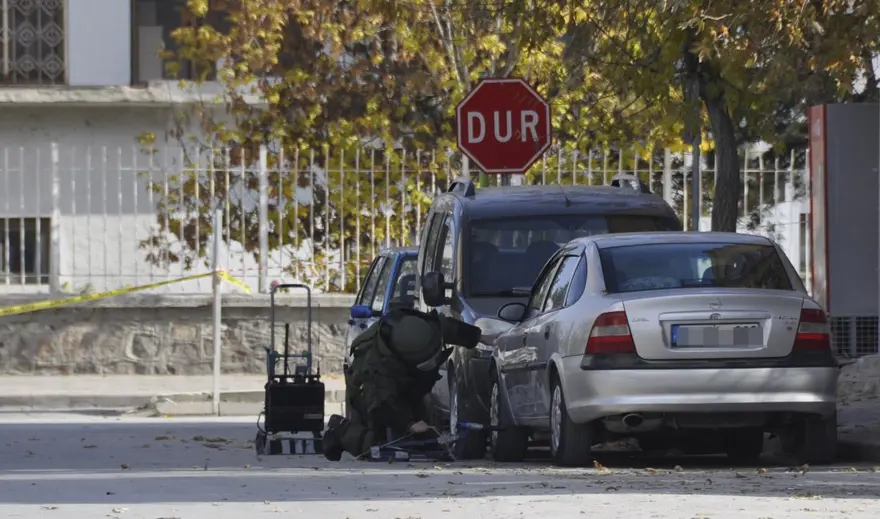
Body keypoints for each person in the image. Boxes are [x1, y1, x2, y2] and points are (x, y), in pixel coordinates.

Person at [322, 307, 482, 461]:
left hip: (408, 385)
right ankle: (340, 431)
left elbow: (449, 328)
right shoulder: (377, 370)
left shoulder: (424, 330)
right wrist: (409, 424)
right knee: (382, 445)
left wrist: (480, 337)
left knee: (425, 441)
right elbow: (382, 405)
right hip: (370, 394)